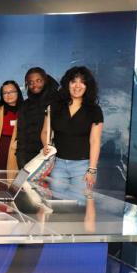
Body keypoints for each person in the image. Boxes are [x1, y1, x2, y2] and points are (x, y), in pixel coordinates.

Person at [42, 66, 103, 196]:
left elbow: (95, 140)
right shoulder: (54, 106)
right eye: (73, 81)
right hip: (58, 164)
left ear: (87, 86)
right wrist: (46, 145)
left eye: (82, 82)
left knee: (79, 206)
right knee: (57, 205)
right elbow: (45, 132)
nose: (77, 86)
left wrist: (92, 169)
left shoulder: (94, 110)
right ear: (67, 84)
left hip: (83, 166)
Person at [16, 67, 60, 168]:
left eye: (38, 81)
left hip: (52, 158)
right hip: (28, 158)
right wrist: (21, 162)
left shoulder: (57, 102)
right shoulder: (24, 106)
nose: (34, 85)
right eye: (30, 82)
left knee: (48, 184)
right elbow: (21, 136)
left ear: (46, 81)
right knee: (21, 182)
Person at [0, 80, 23, 170]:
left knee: (17, 181)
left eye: (11, 92)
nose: (8, 95)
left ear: (18, 92)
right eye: (5, 93)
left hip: (19, 151)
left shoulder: (26, 110)